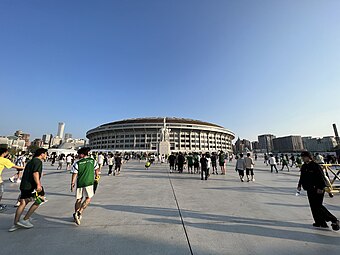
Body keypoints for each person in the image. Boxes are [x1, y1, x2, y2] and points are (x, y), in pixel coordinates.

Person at [297, 151, 339, 231]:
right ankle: (320, 222)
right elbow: (302, 177)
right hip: (309, 189)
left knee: (318, 206)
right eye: (302, 157)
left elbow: (321, 177)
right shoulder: (304, 167)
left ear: (309, 157)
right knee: (313, 206)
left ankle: (334, 220)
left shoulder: (315, 166)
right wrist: (299, 185)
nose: (303, 158)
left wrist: (321, 187)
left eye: (304, 157)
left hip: (318, 189)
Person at [9, 148, 48, 232]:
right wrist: (38, 184)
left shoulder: (31, 161)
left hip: (24, 185)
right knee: (40, 200)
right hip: (32, 186)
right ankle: (25, 219)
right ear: (42, 154)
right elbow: (35, 173)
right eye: (46, 154)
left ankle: (16, 223)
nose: (46, 156)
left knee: (23, 203)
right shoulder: (38, 161)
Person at [71, 147, 99, 225]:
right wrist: (97, 176)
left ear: (82, 154)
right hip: (89, 182)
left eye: (79, 154)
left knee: (79, 199)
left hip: (80, 183)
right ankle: (80, 212)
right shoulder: (93, 161)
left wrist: (72, 183)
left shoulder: (78, 163)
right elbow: (97, 169)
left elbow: (74, 174)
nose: (78, 156)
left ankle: (76, 213)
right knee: (88, 198)